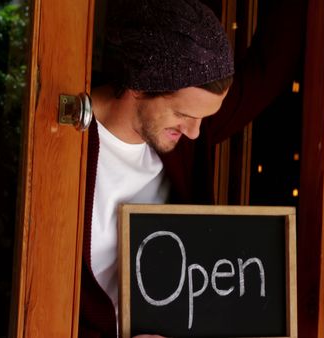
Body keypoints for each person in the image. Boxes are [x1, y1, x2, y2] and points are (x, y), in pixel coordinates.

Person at [80, 0, 306, 337]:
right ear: (139, 84)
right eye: (183, 115)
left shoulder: (186, 137)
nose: (196, 132)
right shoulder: (64, 145)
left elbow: (269, 66)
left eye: (205, 119)